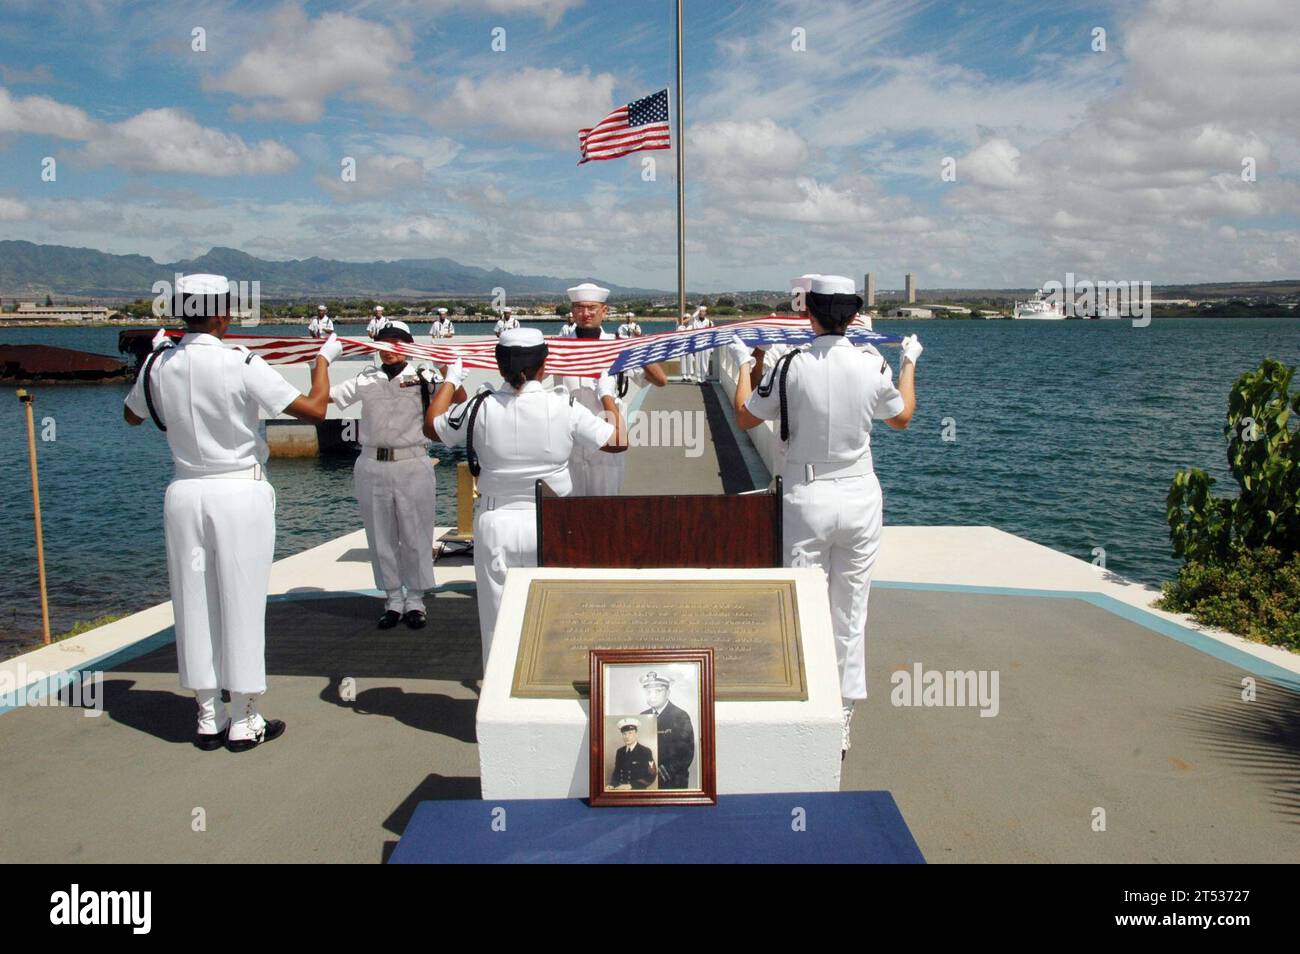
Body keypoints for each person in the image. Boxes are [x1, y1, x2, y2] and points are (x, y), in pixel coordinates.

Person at [123, 273, 339, 752]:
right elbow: (315, 410)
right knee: (241, 601)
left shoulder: (160, 363)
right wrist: (324, 360)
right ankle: (244, 718)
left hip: (184, 491)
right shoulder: (240, 362)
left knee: (193, 601)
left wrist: (152, 360)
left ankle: (206, 714)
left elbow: (132, 415)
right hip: (238, 491)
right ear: (223, 313)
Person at [728, 274, 921, 756]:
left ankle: (801, 703)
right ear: (854, 316)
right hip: (859, 494)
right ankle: (842, 716)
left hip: (806, 495)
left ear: (808, 313)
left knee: (799, 602)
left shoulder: (792, 363)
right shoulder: (870, 365)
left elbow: (747, 416)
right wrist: (908, 364)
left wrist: (743, 365)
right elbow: (902, 418)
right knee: (850, 609)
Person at [424, 327, 628, 664]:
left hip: (496, 522)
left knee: (497, 625)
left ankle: (496, 699)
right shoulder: (564, 405)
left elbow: (432, 426)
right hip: (551, 524)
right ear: (544, 365)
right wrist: (607, 394)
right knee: (554, 617)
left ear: (499, 366)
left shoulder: (479, 406)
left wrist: (451, 379)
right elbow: (618, 439)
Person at [330, 321, 465, 630]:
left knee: (416, 533)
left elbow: (458, 399)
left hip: (412, 461)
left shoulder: (423, 376)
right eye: (383, 342)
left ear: (407, 346)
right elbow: (327, 398)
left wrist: (448, 372)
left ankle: (415, 599)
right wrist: (321, 363)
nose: (389, 348)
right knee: (381, 536)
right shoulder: (365, 379)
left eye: (396, 342)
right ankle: (392, 599)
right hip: (372, 463)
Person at [558, 282, 667, 496]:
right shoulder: (559, 348)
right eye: (579, 308)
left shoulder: (617, 346)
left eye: (592, 308)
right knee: (569, 515)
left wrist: (636, 347)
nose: (585, 313)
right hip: (570, 446)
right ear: (572, 311)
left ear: (604, 311)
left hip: (607, 442)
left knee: (605, 513)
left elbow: (660, 379)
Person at [638, 671, 694, 789]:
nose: (652, 695)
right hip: (646, 780)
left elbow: (686, 753)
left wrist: (662, 771)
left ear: (668, 693)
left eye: (658, 691)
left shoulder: (680, 716)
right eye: (649, 691)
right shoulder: (642, 716)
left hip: (672, 781)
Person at [609, 718, 657, 790]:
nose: (626, 736)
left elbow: (652, 775)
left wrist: (631, 785)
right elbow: (616, 772)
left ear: (636, 734)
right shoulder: (620, 751)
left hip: (637, 791)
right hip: (620, 790)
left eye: (630, 733)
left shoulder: (645, 751)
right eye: (624, 734)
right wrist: (612, 785)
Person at [690, 305, 714, 382]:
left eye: (703, 311)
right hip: (697, 344)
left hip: (706, 345)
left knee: (705, 362)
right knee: (697, 362)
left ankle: (704, 379)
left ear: (705, 313)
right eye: (700, 311)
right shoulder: (694, 322)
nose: (701, 313)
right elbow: (691, 333)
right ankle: (698, 379)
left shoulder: (709, 322)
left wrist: (711, 348)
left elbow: (712, 335)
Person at [676, 311, 695, 383]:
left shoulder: (692, 327)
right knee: (683, 360)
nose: (686, 319)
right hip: (682, 345)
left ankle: (689, 375)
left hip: (689, 345)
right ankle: (684, 376)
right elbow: (677, 335)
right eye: (685, 318)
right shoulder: (680, 327)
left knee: (690, 360)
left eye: (687, 318)